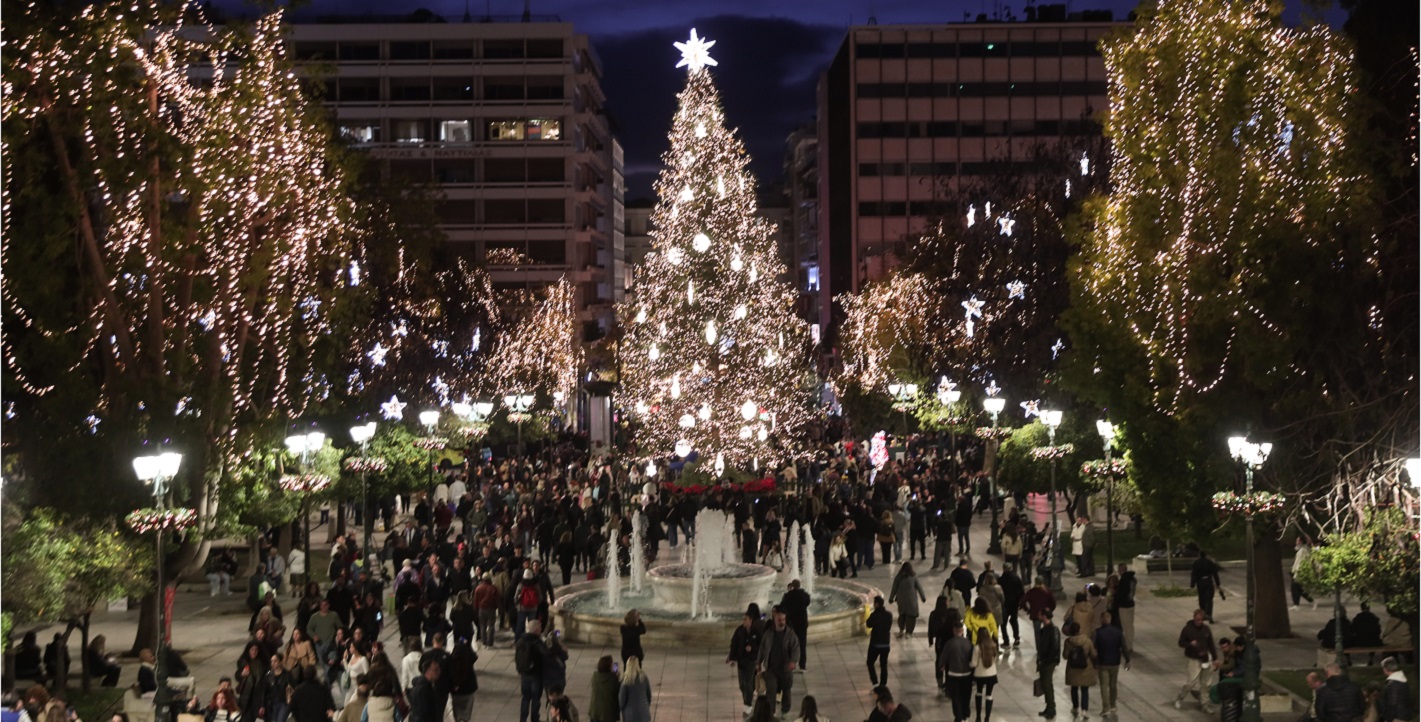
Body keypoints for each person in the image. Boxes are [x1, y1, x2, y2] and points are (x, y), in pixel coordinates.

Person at [757, 606, 801, 718]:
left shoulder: (790, 635)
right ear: (774, 619)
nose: (781, 622)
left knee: (786, 690)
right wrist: (758, 663)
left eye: (783, 619)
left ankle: (785, 710)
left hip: (785, 670)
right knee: (771, 691)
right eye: (779, 620)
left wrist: (793, 661)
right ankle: (771, 712)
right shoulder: (769, 634)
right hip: (771, 669)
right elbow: (762, 649)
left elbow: (796, 649)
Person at [1174, 609, 1219, 713]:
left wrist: (1215, 658)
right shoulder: (1187, 629)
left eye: (1201, 620)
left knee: (1206, 683)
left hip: (1206, 658)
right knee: (1191, 682)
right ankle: (1180, 697)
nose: (1200, 622)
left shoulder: (1206, 629)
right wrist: (1190, 644)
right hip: (1194, 659)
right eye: (1198, 620)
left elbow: (1211, 644)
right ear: (1194, 618)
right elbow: (1181, 643)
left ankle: (1204, 704)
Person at [1092, 611, 1129, 718]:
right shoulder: (1118, 632)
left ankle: (1105, 708)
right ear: (1110, 619)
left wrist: (1094, 662)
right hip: (1115, 663)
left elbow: (1092, 647)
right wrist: (1127, 660)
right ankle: (1113, 705)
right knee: (1113, 685)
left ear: (1102, 620)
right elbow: (1124, 647)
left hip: (1103, 663)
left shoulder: (1097, 632)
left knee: (1104, 685)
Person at [727, 612, 763, 716]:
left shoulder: (756, 632)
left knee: (748, 682)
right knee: (742, 684)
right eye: (743, 619)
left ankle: (748, 704)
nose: (744, 621)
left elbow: (761, 645)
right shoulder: (739, 631)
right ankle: (747, 698)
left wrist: (752, 649)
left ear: (751, 620)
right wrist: (732, 658)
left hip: (751, 660)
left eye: (746, 619)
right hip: (741, 660)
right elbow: (734, 644)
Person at [1062, 621, 1097, 719]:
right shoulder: (1087, 641)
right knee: (1085, 689)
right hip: (1085, 668)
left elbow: (1065, 656)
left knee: (1074, 688)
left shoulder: (1068, 642)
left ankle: (1075, 707)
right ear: (1079, 630)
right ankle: (1084, 710)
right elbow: (1093, 654)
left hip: (1073, 669)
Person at [516, 620, 548, 722]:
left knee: (525, 698)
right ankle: (535, 719)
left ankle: (523, 719)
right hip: (536, 675)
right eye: (539, 628)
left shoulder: (521, 640)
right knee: (535, 699)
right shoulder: (536, 642)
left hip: (524, 674)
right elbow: (546, 653)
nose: (541, 630)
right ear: (535, 630)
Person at [942, 622, 973, 722]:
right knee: (966, 696)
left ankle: (958, 717)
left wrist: (941, 666)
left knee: (955, 698)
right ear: (962, 630)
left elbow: (943, 658)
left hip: (953, 674)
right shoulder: (968, 643)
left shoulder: (950, 643)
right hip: (967, 674)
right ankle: (965, 715)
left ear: (954, 630)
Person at [780, 580, 812, 670]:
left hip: (791, 623)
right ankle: (802, 665)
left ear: (792, 586)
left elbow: (782, 606)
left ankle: (790, 663)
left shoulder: (788, 596)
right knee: (802, 644)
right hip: (802, 623)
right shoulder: (804, 595)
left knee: (790, 644)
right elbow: (807, 603)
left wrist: (789, 591)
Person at [1036, 610, 1062, 720]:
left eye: (1040, 614)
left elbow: (1054, 648)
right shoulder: (1044, 630)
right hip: (1044, 660)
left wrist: (1046, 661)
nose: (1038, 616)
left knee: (1047, 684)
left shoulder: (1053, 630)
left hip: (1049, 662)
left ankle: (1051, 708)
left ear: (1044, 616)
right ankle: (1049, 706)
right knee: (1045, 684)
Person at [888, 563, 926, 638]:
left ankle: (901, 629)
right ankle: (908, 632)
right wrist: (923, 597)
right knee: (911, 617)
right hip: (911, 600)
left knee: (902, 615)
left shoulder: (898, 577)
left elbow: (894, 588)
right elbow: (919, 588)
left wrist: (891, 598)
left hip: (901, 600)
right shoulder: (913, 576)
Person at [969, 630, 999, 722]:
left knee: (979, 692)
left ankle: (978, 717)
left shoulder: (977, 648)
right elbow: (996, 658)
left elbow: (974, 663)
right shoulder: (993, 646)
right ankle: (987, 718)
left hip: (980, 675)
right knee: (989, 695)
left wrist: (968, 664)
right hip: (992, 674)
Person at [445, 640, 478, 722]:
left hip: (457, 691)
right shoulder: (469, 659)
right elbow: (475, 656)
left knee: (457, 710)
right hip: (469, 690)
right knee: (467, 711)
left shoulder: (452, 661)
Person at [865, 596, 893, 686]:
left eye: (874, 603)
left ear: (877, 604)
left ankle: (875, 682)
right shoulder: (889, 615)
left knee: (870, 662)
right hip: (886, 643)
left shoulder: (874, 615)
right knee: (883, 664)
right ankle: (883, 683)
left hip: (875, 643)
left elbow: (868, 624)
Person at [1189, 551, 1222, 623]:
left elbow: (1193, 574)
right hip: (1208, 582)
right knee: (1209, 599)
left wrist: (1192, 584)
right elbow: (1215, 573)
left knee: (1201, 598)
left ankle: (1203, 613)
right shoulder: (1210, 563)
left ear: (1199, 555)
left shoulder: (1196, 563)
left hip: (1200, 582)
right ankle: (1209, 614)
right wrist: (1218, 584)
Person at [616, 656, 652, 722]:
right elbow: (649, 695)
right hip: (644, 713)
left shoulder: (625, 681)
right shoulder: (644, 678)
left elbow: (621, 701)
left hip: (630, 715)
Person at [997, 565, 1024, 649]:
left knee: (1003, 623)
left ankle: (1006, 641)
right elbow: (1021, 591)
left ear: (1004, 569)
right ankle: (1016, 637)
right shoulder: (1016, 578)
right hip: (1014, 603)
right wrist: (1020, 602)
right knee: (1014, 620)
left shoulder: (1001, 579)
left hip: (1005, 604)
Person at [1378, 657, 1412, 722]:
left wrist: (1388, 719)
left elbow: (1392, 705)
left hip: (1397, 718)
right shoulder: (1402, 681)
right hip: (1404, 716)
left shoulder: (1393, 684)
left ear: (1385, 669)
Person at [1113, 567, 1137, 654]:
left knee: (1126, 626)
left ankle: (1127, 646)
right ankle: (1130, 645)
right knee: (1130, 626)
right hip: (1131, 604)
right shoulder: (1133, 579)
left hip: (1124, 606)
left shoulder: (1123, 580)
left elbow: (1120, 594)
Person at [1290, 539, 1316, 610]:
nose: (1296, 542)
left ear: (1301, 542)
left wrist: (1298, 571)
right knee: (1297, 588)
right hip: (1296, 571)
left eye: (1298, 540)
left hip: (1299, 572)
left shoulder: (1303, 550)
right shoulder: (1301, 550)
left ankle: (1311, 601)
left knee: (1297, 588)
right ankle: (1297, 604)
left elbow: (1301, 561)